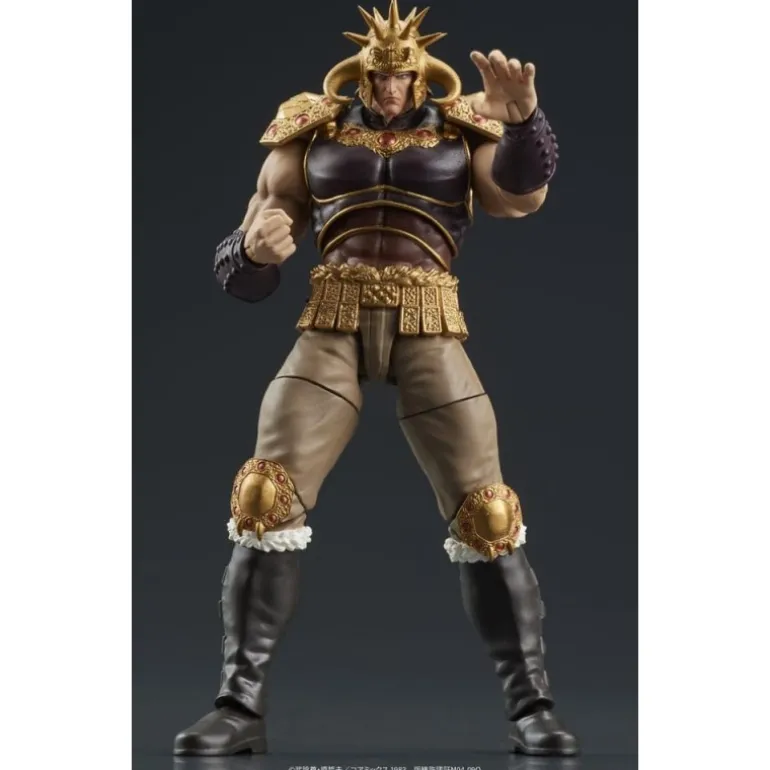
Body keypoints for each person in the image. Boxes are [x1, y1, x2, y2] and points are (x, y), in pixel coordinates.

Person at [174, 1, 577, 758]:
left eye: (401, 77)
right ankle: (238, 703)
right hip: (332, 318)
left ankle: (532, 705)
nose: (390, 90)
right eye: (378, 77)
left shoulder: (461, 128)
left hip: (430, 321)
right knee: (263, 495)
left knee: (490, 513)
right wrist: (252, 252)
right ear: (359, 74)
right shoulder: (311, 131)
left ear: (421, 74)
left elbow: (519, 196)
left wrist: (525, 122)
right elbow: (248, 251)